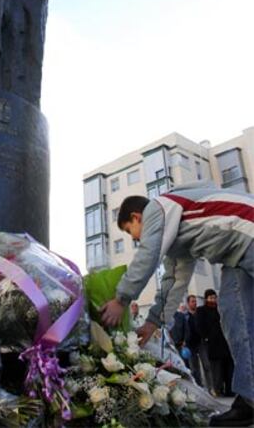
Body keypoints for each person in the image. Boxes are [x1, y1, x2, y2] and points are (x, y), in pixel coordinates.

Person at [100, 182, 254, 427]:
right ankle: (250, 398)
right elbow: (174, 281)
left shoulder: (158, 208)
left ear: (136, 217)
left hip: (248, 230)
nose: (136, 239)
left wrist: (121, 299)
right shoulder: (177, 232)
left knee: (239, 317)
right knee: (236, 316)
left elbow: (149, 255)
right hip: (238, 251)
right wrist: (152, 323)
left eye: (131, 232)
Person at [195, 289, 234, 397]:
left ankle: (230, 390)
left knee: (228, 366)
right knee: (216, 368)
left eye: (214, 297)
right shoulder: (201, 310)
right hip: (213, 344)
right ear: (206, 298)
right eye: (211, 298)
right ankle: (217, 389)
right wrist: (206, 337)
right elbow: (199, 326)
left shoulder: (220, 309)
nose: (213, 299)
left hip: (225, 342)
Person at [184, 294, 203, 387]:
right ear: (188, 303)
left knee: (206, 365)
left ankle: (210, 387)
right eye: (192, 301)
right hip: (190, 345)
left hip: (201, 343)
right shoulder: (185, 317)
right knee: (194, 367)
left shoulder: (200, 314)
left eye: (195, 301)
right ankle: (198, 385)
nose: (195, 303)